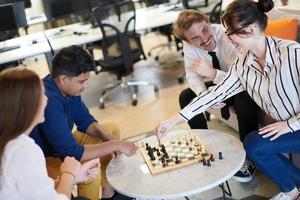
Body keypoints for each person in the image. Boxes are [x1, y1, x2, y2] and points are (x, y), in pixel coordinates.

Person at [156, 0, 300, 199]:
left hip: (294, 126)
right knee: (253, 145)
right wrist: (174, 120)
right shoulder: (243, 63)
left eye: (230, 32)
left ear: (250, 29)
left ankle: (292, 192)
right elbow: (215, 93)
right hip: (288, 128)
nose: (227, 37)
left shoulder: (293, 53)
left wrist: (289, 125)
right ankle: (293, 192)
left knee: (254, 144)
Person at [30, 45, 138, 200]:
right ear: (63, 79)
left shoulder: (69, 89)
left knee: (110, 130)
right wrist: (115, 145)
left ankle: (108, 193)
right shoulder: (49, 100)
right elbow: (71, 152)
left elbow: (85, 121)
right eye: (82, 82)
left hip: (62, 146)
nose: (85, 86)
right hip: (46, 158)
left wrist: (111, 141)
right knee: (91, 171)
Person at [173, 9, 261, 182]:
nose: (204, 39)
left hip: (242, 85)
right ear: (187, 40)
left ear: (208, 21)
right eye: (195, 38)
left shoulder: (227, 36)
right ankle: (203, 149)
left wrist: (213, 74)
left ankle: (248, 156)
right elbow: (192, 76)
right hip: (218, 85)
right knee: (186, 96)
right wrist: (205, 96)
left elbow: (242, 78)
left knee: (243, 100)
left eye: (205, 30)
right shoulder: (189, 45)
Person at [0, 68, 100, 200]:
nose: (47, 100)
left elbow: (32, 191)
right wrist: (68, 173)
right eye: (42, 95)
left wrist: (73, 177)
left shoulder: (11, 143)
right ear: (28, 105)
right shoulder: (24, 151)